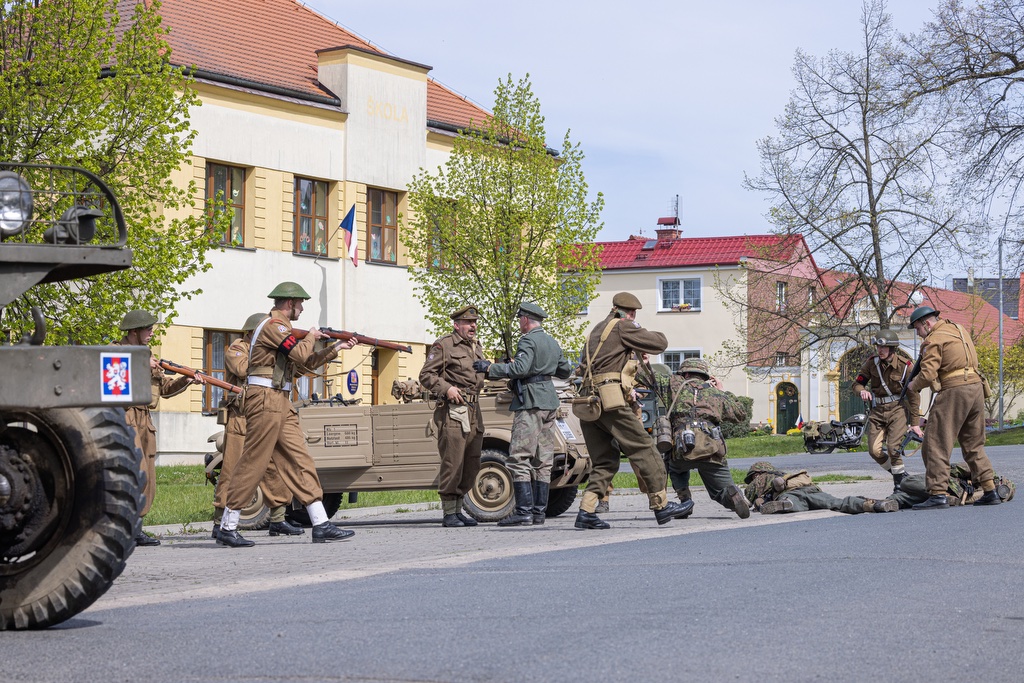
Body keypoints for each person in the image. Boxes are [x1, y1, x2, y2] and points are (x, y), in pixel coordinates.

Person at [217, 282, 357, 547]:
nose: (302, 309)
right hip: (264, 398)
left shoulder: (284, 330)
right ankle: (228, 525)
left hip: (280, 399)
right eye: (300, 304)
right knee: (254, 461)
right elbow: (299, 352)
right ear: (289, 304)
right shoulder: (274, 327)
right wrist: (312, 336)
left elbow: (304, 362)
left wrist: (336, 349)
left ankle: (320, 522)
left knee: (299, 458)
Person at [573, 292, 692, 529]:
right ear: (627, 312)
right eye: (633, 313)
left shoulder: (597, 329)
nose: (633, 316)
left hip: (590, 403)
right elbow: (660, 343)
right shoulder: (622, 327)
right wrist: (639, 329)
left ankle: (586, 510)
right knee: (646, 449)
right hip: (610, 402)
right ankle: (661, 505)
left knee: (605, 460)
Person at [473, 302, 573, 526]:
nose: (519, 323)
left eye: (520, 319)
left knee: (519, 457)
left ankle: (524, 512)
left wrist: (490, 368)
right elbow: (566, 370)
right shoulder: (551, 342)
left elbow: (520, 369)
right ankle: (538, 513)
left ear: (526, 320)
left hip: (530, 402)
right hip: (549, 401)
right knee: (543, 459)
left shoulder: (527, 340)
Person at [211, 312, 304, 539]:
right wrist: (266, 354)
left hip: (265, 413)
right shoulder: (237, 348)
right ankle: (219, 521)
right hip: (241, 418)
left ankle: (278, 518)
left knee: (272, 467)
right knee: (233, 469)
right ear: (253, 333)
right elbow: (243, 370)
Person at [116, 309, 203, 547]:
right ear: (133, 332)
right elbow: (115, 386)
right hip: (126, 417)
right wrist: (141, 363)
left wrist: (186, 379)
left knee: (149, 478)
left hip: (145, 419)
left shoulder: (148, 355)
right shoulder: (116, 352)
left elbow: (164, 389)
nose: (152, 332)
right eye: (148, 328)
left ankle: (137, 528)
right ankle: (124, 527)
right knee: (135, 473)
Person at [905, 306, 1002, 510]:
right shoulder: (958, 328)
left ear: (926, 324)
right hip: (976, 388)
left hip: (955, 390)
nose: (918, 333)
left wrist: (913, 386)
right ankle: (989, 489)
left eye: (917, 329)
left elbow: (929, 373)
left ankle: (938, 493)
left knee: (935, 441)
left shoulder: (933, 339)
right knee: (973, 444)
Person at [643, 358, 750, 519]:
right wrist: (722, 391)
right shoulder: (715, 393)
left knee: (675, 469)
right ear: (705, 376)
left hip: (682, 447)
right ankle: (732, 496)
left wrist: (644, 362)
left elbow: (646, 376)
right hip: (711, 447)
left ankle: (685, 501)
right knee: (718, 491)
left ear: (684, 373)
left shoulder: (673, 384)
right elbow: (740, 413)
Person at [419, 305, 486, 527]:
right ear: (456, 325)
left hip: (474, 410)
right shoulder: (445, 345)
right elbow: (426, 374)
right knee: (453, 460)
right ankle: (449, 512)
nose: (473, 326)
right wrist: (446, 388)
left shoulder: (475, 347)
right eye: (468, 323)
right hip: (454, 411)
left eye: (474, 322)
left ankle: (458, 510)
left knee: (471, 462)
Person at [851, 329, 921, 489]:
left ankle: (899, 486)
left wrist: (915, 423)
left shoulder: (905, 367)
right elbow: (857, 383)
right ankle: (900, 475)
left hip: (897, 411)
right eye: (878, 347)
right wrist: (861, 390)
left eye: (883, 347)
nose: (880, 350)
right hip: (877, 412)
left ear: (892, 348)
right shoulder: (871, 363)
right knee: (874, 451)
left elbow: (914, 396)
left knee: (893, 448)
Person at [743, 461, 899, 515]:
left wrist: (759, 504)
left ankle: (785, 504)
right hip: (811, 488)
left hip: (790, 494)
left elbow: (756, 501)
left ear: (755, 474)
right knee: (837, 503)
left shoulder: (757, 481)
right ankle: (873, 505)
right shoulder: (784, 474)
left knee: (793, 502)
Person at [887, 462, 1015, 509]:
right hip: (951, 494)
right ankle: (875, 505)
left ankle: (880, 503)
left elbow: (956, 468)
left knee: (907, 482)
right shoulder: (992, 492)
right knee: (907, 498)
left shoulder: (989, 476)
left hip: (946, 484)